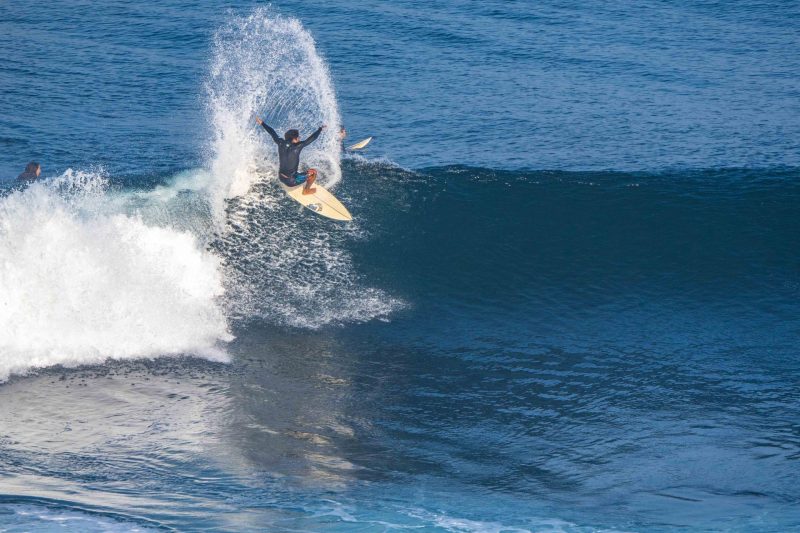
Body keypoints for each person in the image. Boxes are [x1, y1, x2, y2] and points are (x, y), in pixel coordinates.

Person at [255, 116, 325, 195]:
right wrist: (320, 129)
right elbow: (312, 138)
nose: (299, 139)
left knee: (293, 171)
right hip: (291, 181)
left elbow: (272, 132)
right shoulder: (298, 146)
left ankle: (295, 177)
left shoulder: (280, 142)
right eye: (298, 137)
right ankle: (306, 190)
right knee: (313, 172)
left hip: (281, 177)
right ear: (294, 139)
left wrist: (262, 123)